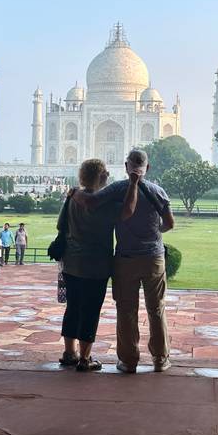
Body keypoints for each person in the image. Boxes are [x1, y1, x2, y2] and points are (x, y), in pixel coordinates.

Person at [71, 149, 174, 373]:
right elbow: (169, 224)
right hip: (153, 257)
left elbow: (90, 202)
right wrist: (154, 232)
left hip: (126, 258)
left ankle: (128, 361)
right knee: (156, 309)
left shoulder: (118, 189)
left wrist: (73, 194)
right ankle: (159, 359)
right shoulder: (158, 191)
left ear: (126, 165)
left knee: (126, 310)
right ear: (147, 167)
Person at [60, 158, 140, 372]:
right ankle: (85, 359)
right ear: (101, 176)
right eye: (105, 172)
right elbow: (128, 211)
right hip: (95, 266)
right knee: (90, 311)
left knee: (73, 308)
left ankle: (69, 353)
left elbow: (61, 225)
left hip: (71, 263)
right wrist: (133, 184)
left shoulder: (72, 196)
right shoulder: (103, 204)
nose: (107, 175)